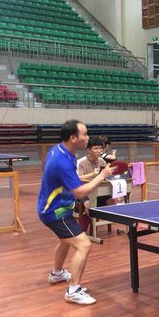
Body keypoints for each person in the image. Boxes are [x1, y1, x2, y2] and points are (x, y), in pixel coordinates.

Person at [37, 120, 112, 305]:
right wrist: (102, 176)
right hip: (55, 212)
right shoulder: (62, 160)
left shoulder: (61, 150)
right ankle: (73, 290)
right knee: (83, 245)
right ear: (73, 138)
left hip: (57, 207)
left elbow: (70, 181)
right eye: (84, 134)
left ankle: (57, 273)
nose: (87, 137)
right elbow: (78, 192)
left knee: (65, 240)